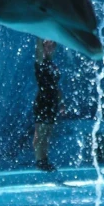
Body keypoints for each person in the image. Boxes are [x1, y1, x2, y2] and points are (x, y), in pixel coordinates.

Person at [33, 38, 62, 172]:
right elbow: (39, 47)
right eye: (47, 45)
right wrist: (40, 34)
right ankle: (39, 160)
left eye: (52, 45)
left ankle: (44, 159)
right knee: (41, 131)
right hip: (43, 100)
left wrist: (61, 102)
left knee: (48, 132)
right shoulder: (40, 61)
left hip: (52, 101)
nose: (50, 48)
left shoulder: (52, 64)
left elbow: (56, 86)